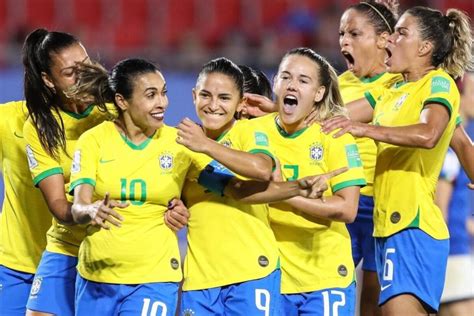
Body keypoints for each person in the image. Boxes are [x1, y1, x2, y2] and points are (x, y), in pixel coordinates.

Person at [68, 58, 332, 315]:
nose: (162, 103)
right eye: (152, 95)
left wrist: (295, 187)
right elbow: (81, 205)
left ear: (239, 103)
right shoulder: (100, 140)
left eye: (163, 93)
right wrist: (173, 207)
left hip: (226, 273)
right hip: (176, 277)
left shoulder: (209, 139)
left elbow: (245, 182)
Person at [322, 6, 473, 315]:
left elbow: (429, 133)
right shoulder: (392, 89)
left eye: (402, 33)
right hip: (388, 222)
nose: (391, 38)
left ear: (424, 48)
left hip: (413, 225)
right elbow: (340, 117)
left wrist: (367, 130)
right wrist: (275, 112)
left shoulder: (438, 83)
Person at [20, 29, 113, 316]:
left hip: (114, 244)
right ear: (49, 80)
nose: (83, 76)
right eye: (72, 72)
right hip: (66, 245)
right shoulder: (39, 127)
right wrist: (87, 210)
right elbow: (59, 206)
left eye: (86, 64)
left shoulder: (113, 108)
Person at [338, 1, 399, 315]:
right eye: (341, 34)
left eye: (354, 33)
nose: (343, 41)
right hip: (342, 200)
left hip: (383, 205)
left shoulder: (400, 82)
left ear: (383, 40)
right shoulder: (337, 84)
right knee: (334, 289)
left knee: (375, 300)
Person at [0, 100, 51, 316]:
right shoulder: (7, 119)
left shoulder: (104, 119)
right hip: (14, 264)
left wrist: (169, 202)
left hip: (74, 265)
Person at [436, 72, 474, 316]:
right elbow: (440, 203)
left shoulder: (467, 132)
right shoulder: (451, 139)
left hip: (461, 249)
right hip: (451, 251)